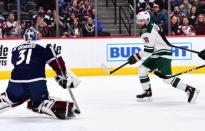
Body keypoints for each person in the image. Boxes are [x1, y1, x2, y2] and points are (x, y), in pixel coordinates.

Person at [0, 27, 81, 119]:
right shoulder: (42, 47)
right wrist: (62, 75)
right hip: (36, 82)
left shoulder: (15, 49)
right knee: (41, 101)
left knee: (9, 98)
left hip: (15, 83)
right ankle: (58, 108)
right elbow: (56, 62)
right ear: (37, 36)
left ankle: (15, 98)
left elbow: (15, 62)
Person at [127, 11, 200, 103]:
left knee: (167, 79)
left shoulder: (146, 31)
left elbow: (148, 51)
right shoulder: (151, 25)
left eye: (142, 20)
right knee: (142, 69)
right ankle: (147, 93)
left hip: (162, 55)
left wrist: (135, 57)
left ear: (147, 20)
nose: (140, 23)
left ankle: (190, 89)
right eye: (139, 21)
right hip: (157, 54)